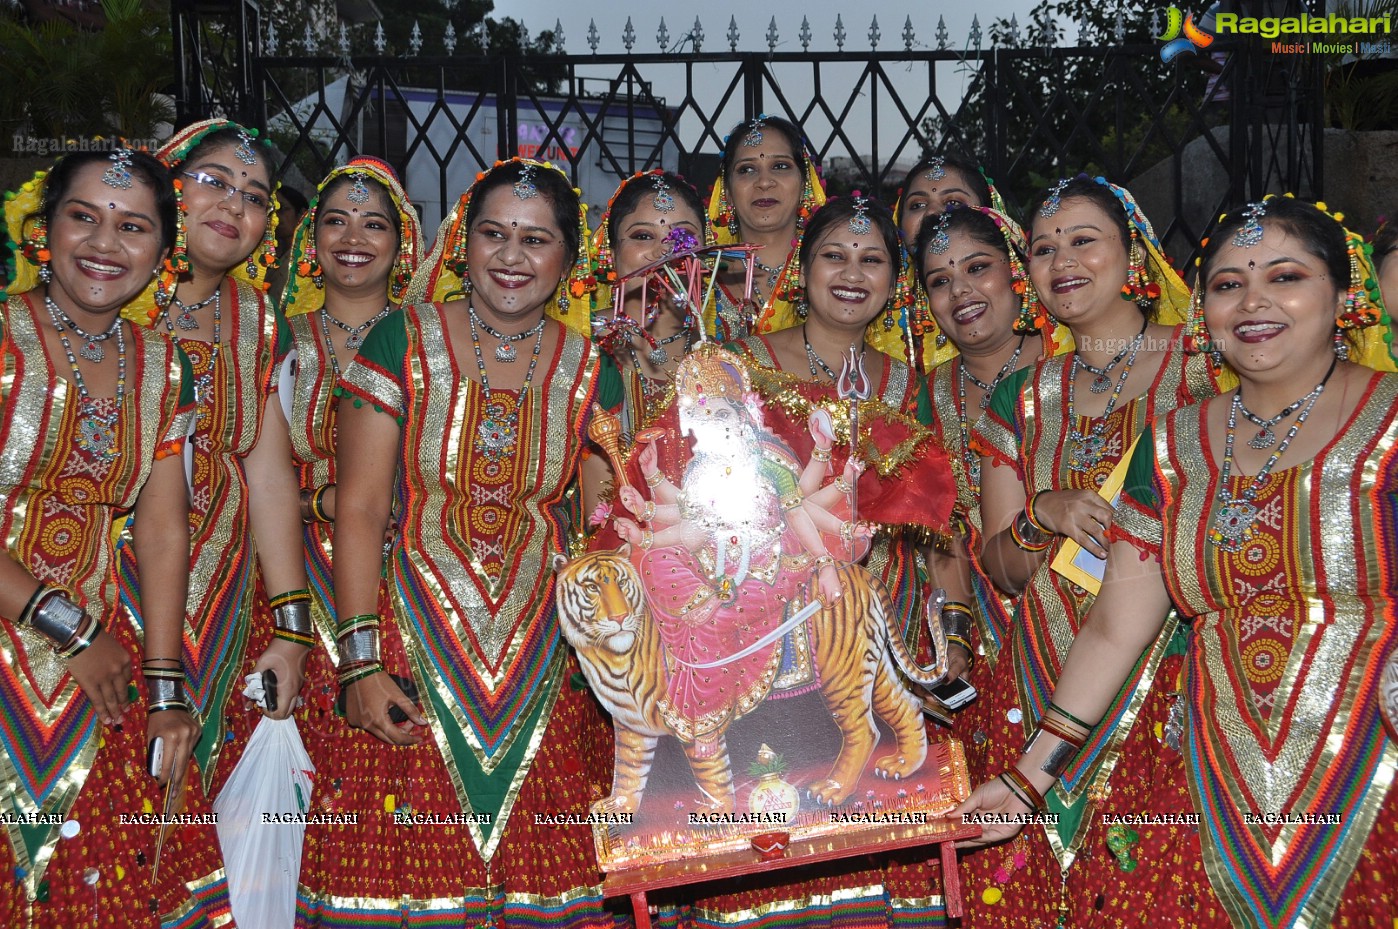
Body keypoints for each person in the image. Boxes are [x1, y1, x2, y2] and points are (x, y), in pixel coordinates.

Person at [957, 194, 1398, 929]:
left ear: (1345, 296)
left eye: (1285, 276)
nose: (1253, 301)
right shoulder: (1172, 447)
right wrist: (1028, 776)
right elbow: (1115, 628)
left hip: (1371, 765)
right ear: (1202, 308)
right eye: (1228, 284)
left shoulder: (1389, 418)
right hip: (1200, 778)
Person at [296, 157, 620, 927]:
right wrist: (360, 660)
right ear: (461, 244)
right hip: (410, 648)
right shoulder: (398, 340)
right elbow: (364, 507)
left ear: (570, 263)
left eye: (536, 240)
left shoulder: (594, 371)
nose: (512, 257)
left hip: (545, 661)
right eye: (494, 235)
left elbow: (606, 531)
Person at [958, 175, 1227, 925]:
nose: (1061, 260)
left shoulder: (1209, 369)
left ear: (1133, 251)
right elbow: (1002, 569)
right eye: (1044, 248)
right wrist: (1040, 513)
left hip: (1168, 682)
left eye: (1083, 240)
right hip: (1039, 670)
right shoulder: (1021, 397)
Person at [0, 149, 231, 927]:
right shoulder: (3, 335)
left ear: (165, 251)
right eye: (83, 217)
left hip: (100, 669)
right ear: (44, 231)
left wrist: (166, 686)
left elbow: (165, 525)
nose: (105, 243)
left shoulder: (165, 368)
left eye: (133, 226)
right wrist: (60, 622)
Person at [116, 119, 311, 795]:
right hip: (106, 597)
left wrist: (292, 628)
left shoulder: (258, 321)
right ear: (169, 187)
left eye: (255, 197)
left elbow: (267, 471)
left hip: (223, 601)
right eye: (216, 183)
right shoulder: (107, 296)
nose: (234, 205)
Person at [276, 157, 423, 764]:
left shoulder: (429, 341)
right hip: (293, 573)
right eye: (336, 221)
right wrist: (320, 502)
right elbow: (235, 477)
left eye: (374, 225)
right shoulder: (276, 337)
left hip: (412, 577)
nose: (353, 239)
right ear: (312, 240)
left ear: (403, 244)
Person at [915, 207, 1058, 705]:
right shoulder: (926, 397)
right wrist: (954, 634)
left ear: (1015, 271)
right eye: (940, 280)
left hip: (1082, 608)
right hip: (981, 632)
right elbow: (938, 528)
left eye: (977, 268)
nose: (960, 292)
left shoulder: (1072, 359)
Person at [589, 169, 738, 433]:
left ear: (705, 252)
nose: (665, 250)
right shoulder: (577, 346)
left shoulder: (723, 361)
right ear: (610, 254)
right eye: (643, 236)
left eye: (682, 236)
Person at [708, 114, 826, 336]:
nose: (763, 182)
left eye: (780, 166)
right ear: (727, 193)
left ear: (804, 185)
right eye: (747, 169)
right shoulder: (701, 278)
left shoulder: (833, 272)